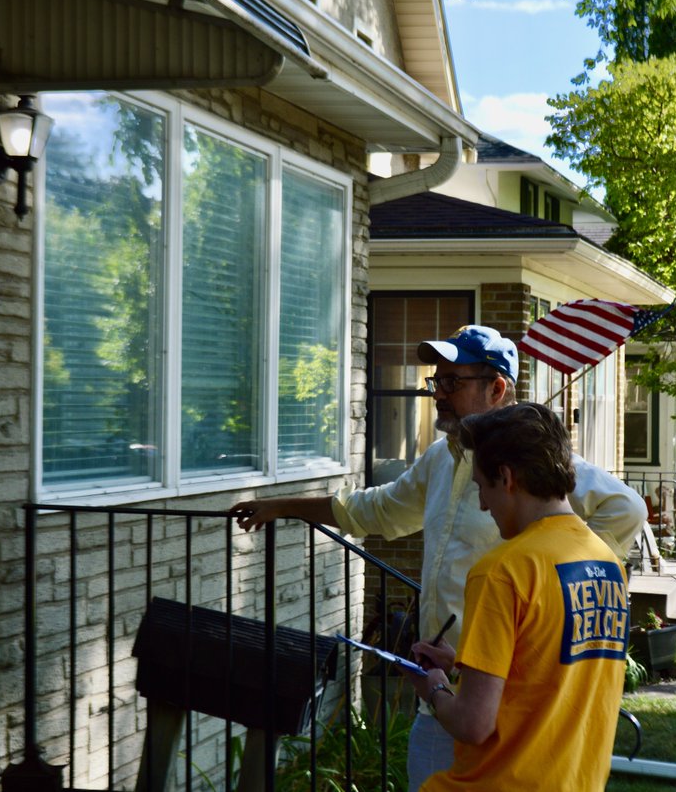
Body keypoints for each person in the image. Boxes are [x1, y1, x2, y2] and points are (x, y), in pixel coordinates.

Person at [230, 324, 645, 789]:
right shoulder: (440, 459)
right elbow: (379, 509)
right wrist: (283, 506)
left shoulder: (535, 470)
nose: (438, 393)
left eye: (452, 382)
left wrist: (551, 572)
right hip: (448, 686)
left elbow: (627, 508)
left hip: (508, 702)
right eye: (436, 381)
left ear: (497, 388)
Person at [402, 403, 629, 791]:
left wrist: (434, 687)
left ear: (506, 478)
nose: (482, 504)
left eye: (481, 487)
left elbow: (473, 725)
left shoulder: (501, 570)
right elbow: (547, 673)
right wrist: (461, 666)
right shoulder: (606, 563)